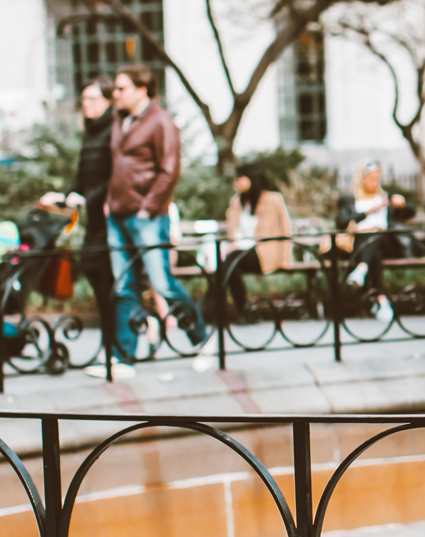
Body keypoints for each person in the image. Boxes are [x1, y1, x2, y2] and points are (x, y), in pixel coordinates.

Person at [104, 65, 206, 366]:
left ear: (142, 89)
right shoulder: (119, 120)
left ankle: (201, 338)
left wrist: (148, 208)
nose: (116, 94)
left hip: (145, 215)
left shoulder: (161, 121)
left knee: (162, 284)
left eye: (122, 88)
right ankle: (123, 358)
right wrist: (110, 202)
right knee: (124, 286)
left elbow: (169, 171)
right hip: (117, 215)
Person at [54, 79, 118, 340]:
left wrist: (86, 198)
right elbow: (83, 175)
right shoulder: (91, 131)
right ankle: (116, 338)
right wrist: (65, 195)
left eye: (91, 99)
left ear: (108, 101)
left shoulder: (114, 129)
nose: (85, 105)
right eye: (83, 99)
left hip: (108, 216)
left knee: (107, 277)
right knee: (92, 269)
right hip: (93, 216)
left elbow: (114, 176)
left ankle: (117, 340)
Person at [220, 163, 294, 318]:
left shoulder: (273, 199)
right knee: (230, 266)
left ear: (251, 179)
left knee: (230, 262)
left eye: (239, 178)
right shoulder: (236, 201)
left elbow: (286, 228)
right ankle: (245, 312)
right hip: (241, 252)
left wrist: (286, 260)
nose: (236, 182)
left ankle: (217, 307)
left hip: (265, 251)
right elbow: (234, 231)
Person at [336, 162, 412, 293]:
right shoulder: (350, 200)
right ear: (361, 180)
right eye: (371, 179)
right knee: (374, 252)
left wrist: (402, 204)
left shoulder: (384, 199)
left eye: (377, 179)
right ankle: (380, 299)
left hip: (385, 243)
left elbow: (410, 213)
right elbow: (341, 222)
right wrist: (367, 212)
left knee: (375, 234)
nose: (375, 183)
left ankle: (362, 270)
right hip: (361, 245)